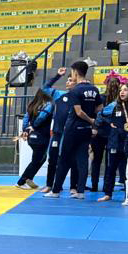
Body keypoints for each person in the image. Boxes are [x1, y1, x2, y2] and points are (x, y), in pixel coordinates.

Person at [46, 61, 100, 199]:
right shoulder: (94, 89)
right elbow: (100, 108)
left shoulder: (76, 90)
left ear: (75, 72)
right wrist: (93, 121)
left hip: (73, 128)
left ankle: (55, 191)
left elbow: (79, 112)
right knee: (82, 160)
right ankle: (80, 192)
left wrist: (90, 120)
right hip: (86, 130)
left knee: (64, 160)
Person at [38, 67, 75, 193]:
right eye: (67, 80)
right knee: (52, 159)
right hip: (58, 133)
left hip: (71, 134)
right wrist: (57, 76)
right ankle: (49, 185)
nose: (67, 82)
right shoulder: (59, 94)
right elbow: (45, 88)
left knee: (70, 161)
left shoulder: (79, 96)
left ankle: (73, 187)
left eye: (70, 80)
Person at [98, 81, 128, 201]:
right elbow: (100, 114)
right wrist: (110, 123)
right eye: (120, 90)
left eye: (125, 90)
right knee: (111, 168)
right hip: (115, 141)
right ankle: (108, 193)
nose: (122, 92)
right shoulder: (114, 105)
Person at [16, 89, 54, 190]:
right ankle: (21, 182)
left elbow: (25, 118)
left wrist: (25, 129)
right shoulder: (48, 105)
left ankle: (29, 179)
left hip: (32, 137)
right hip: (41, 136)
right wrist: (34, 126)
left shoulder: (32, 105)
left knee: (41, 158)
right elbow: (41, 118)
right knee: (36, 160)